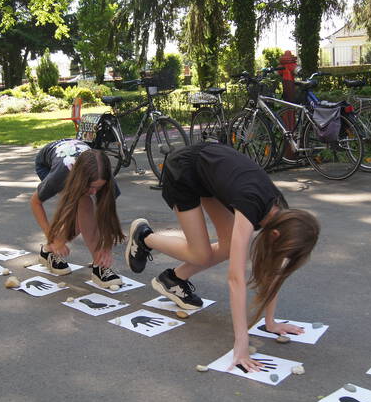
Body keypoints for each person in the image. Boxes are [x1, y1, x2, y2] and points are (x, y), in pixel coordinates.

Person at [125, 143, 320, 372]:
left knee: (228, 247)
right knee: (200, 253)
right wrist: (241, 343)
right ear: (275, 235)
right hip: (185, 170)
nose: (281, 258)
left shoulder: (284, 217)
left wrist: (271, 322)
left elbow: (275, 267)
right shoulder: (252, 207)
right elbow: (235, 279)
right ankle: (144, 237)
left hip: (210, 172)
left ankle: (173, 280)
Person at [30, 139, 124, 288]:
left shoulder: (105, 177)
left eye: (99, 188)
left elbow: (106, 214)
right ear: (81, 179)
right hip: (47, 165)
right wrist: (52, 238)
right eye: (91, 187)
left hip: (77, 164)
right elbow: (35, 202)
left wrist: (105, 247)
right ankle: (53, 248)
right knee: (85, 205)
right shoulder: (60, 175)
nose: (94, 192)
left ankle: (48, 252)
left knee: (84, 214)